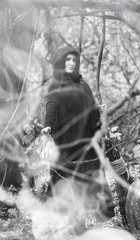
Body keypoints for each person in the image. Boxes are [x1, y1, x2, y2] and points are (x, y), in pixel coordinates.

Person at [41, 47, 115, 224]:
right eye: (67, 60)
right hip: (66, 143)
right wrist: (48, 127)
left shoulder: (83, 85)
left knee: (94, 177)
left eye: (74, 61)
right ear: (60, 62)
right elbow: (51, 105)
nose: (71, 63)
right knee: (65, 181)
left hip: (86, 141)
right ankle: (71, 222)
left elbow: (90, 111)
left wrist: (98, 112)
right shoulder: (55, 85)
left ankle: (104, 221)